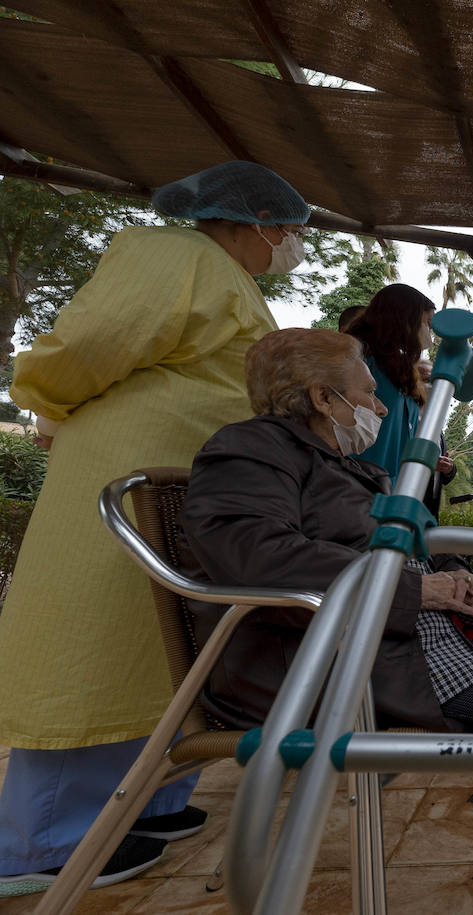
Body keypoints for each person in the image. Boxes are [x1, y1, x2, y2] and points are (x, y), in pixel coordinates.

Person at [178, 328, 473, 915]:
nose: (382, 406)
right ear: (322, 398)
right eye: (368, 390)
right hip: (329, 654)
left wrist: (453, 570)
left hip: (404, 632)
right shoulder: (248, 451)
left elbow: (406, 544)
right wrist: (415, 587)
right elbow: (255, 556)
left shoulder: (343, 465)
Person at [0, 161, 308, 895]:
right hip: (123, 485)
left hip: (182, 496)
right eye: (289, 232)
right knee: (94, 648)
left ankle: (149, 797)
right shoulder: (172, 253)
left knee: (164, 651)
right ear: (250, 221)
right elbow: (88, 344)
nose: (293, 245)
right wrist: (46, 398)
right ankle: (42, 837)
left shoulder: (229, 277)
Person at [344, 284, 435, 479]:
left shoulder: (400, 369)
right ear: (405, 317)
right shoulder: (356, 359)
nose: (429, 332)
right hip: (353, 483)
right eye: (427, 323)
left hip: (390, 489)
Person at [417, 359, 458, 518]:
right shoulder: (404, 419)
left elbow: (441, 473)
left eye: (435, 380)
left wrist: (449, 469)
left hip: (430, 509)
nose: (432, 386)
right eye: (426, 380)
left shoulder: (435, 423)